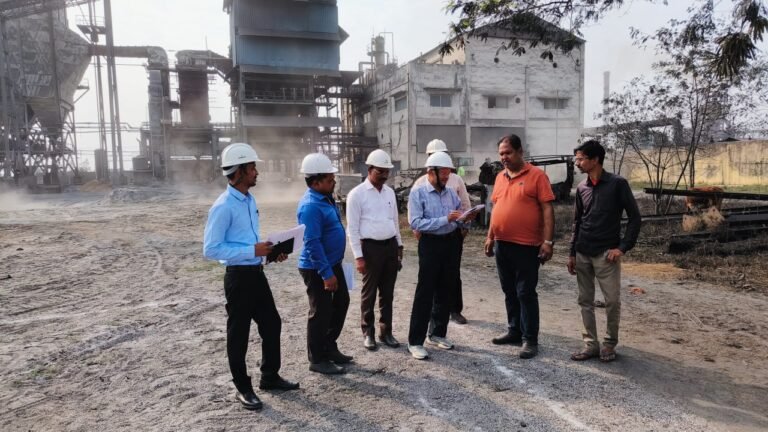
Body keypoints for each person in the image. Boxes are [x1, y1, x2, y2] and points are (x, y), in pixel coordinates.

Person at [203, 143, 299, 411]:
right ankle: (243, 388)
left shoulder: (249, 200)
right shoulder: (223, 206)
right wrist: (251, 251)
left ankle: (269, 376)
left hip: (256, 274)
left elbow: (248, 241)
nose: (257, 172)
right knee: (239, 334)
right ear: (239, 171)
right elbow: (210, 249)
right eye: (252, 167)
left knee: (272, 324)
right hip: (238, 279)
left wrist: (269, 254)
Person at [567, 140, 641, 363]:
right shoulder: (582, 188)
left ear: (595, 159)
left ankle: (609, 344)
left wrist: (622, 247)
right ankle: (590, 344)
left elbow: (635, 218)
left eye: (581, 159)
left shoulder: (617, 184)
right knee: (585, 301)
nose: (577, 163)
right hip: (583, 251)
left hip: (606, 254)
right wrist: (572, 253)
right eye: (577, 159)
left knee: (612, 301)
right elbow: (577, 222)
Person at [484, 134, 555, 359]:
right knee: (509, 290)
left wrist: (547, 242)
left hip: (527, 245)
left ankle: (530, 339)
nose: (504, 157)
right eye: (501, 154)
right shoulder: (500, 177)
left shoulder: (537, 176)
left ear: (520, 152)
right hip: (502, 244)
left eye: (508, 152)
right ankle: (514, 330)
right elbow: (496, 208)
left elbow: (547, 210)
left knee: (525, 292)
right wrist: (490, 237)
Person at [406, 151, 476, 360]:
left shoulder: (451, 193)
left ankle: (437, 333)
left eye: (448, 173)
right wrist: (445, 219)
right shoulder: (418, 193)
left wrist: (465, 219)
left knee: (446, 289)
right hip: (430, 244)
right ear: (431, 172)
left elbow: (457, 216)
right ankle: (415, 341)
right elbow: (416, 223)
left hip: (451, 243)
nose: (447, 177)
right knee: (425, 291)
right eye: (443, 173)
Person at [297, 153, 352, 375]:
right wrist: (326, 274)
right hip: (316, 267)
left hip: (333, 263)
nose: (334, 181)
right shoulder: (311, 206)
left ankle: (329, 346)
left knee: (341, 302)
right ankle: (317, 359)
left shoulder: (326, 198)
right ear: (315, 182)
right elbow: (312, 242)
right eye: (329, 179)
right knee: (320, 311)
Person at [346, 149, 403, 351]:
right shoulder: (357, 195)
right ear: (369, 169)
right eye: (380, 171)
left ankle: (386, 332)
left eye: (387, 171)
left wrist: (399, 245)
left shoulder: (389, 193)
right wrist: (358, 257)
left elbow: (394, 221)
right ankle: (368, 332)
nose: (385, 175)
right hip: (370, 249)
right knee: (369, 293)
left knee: (387, 293)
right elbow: (352, 229)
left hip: (390, 246)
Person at [411, 139, 472, 325]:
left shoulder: (455, 181)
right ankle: (428, 319)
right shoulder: (420, 185)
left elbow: (464, 206)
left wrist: (463, 227)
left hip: (452, 238)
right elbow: (416, 220)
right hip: (431, 240)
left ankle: (454, 311)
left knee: (451, 277)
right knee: (428, 282)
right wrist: (423, 234)